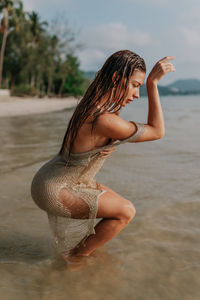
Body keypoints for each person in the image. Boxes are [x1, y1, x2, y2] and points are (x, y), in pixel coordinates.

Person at [31, 50, 175, 262]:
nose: (136, 95)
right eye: (135, 85)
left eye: (141, 87)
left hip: (52, 176)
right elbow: (157, 131)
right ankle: (75, 258)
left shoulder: (91, 105)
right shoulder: (102, 119)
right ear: (116, 79)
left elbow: (90, 141)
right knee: (126, 212)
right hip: (55, 188)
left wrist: (105, 144)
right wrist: (153, 84)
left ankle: (77, 255)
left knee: (120, 205)